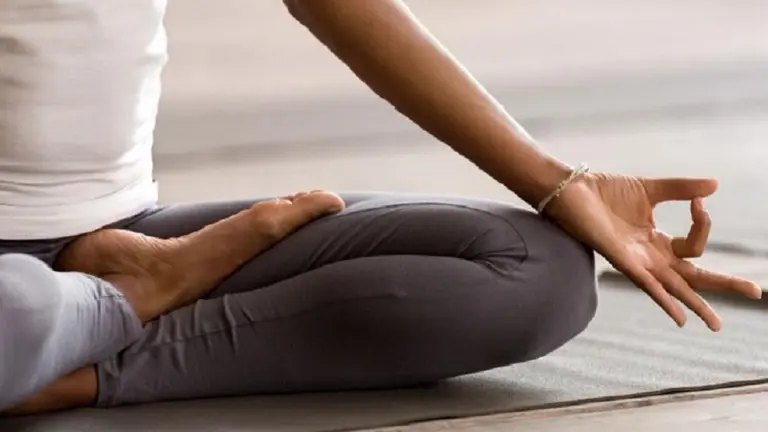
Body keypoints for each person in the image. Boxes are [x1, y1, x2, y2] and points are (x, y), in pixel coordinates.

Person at [0, 0, 761, 416]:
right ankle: (84, 329)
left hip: (118, 236)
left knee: (541, 275)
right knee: (20, 309)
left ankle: (84, 331)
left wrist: (560, 184)